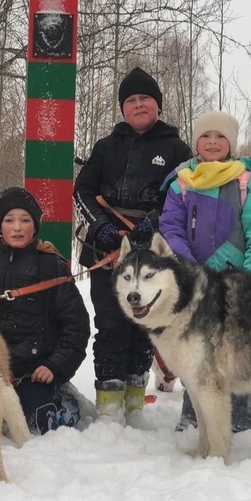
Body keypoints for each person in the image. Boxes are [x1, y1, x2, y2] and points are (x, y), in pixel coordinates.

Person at [73, 67, 192, 422]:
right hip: (105, 251)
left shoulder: (177, 147)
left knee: (144, 328)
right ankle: (110, 408)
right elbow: (81, 191)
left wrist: (151, 225)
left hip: (152, 256)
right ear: (123, 108)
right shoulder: (106, 147)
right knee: (110, 325)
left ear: (157, 105)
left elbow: (182, 194)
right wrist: (101, 227)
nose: (138, 105)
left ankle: (135, 404)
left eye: (145, 99)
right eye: (131, 100)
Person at [159, 111, 251, 435]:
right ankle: (195, 418)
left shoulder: (247, 182)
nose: (213, 142)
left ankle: (247, 421)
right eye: (206, 136)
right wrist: (187, 271)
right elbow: (170, 228)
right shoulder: (182, 183)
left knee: (245, 349)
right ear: (196, 141)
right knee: (197, 351)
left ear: (231, 143)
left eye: (220, 136)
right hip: (197, 288)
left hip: (242, 288)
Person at [0, 187, 90, 434]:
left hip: (34, 371)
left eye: (25, 220)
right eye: (9, 220)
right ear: (0, 226)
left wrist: (55, 366)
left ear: (35, 225)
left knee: (38, 424)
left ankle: (66, 399)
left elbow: (76, 326)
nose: (17, 227)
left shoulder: (51, 265)